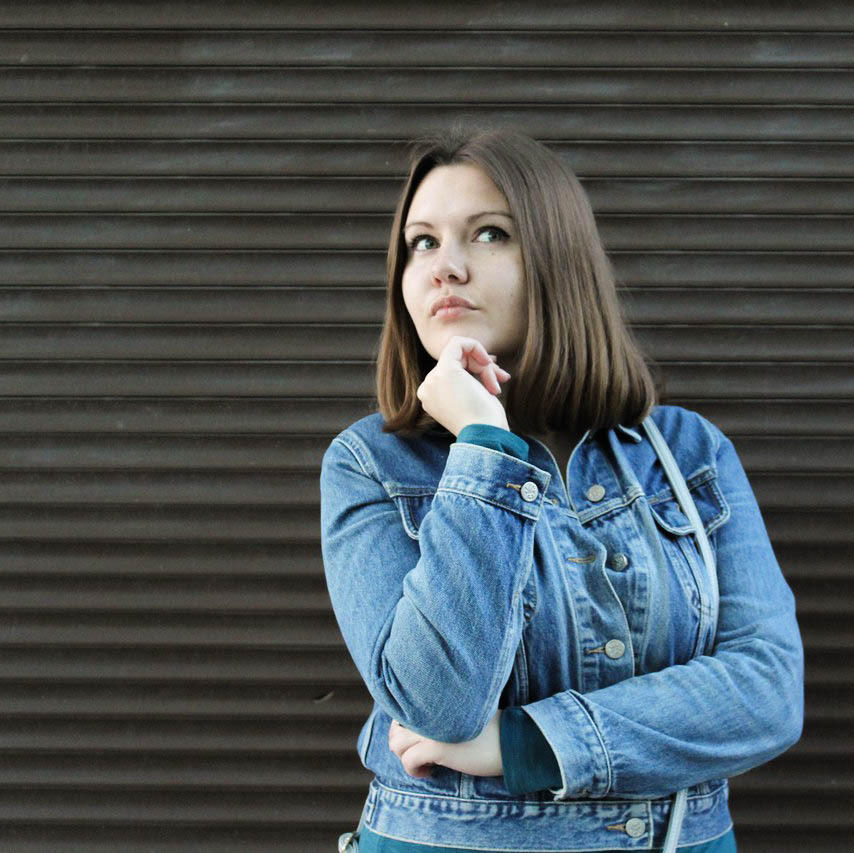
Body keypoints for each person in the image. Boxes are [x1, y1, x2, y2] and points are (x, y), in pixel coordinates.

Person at [320, 123, 804, 853]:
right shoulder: (372, 463)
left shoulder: (687, 453)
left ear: (558, 258)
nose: (445, 267)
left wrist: (529, 742)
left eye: (488, 234)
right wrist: (482, 446)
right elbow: (436, 704)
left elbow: (767, 691)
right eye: (422, 243)